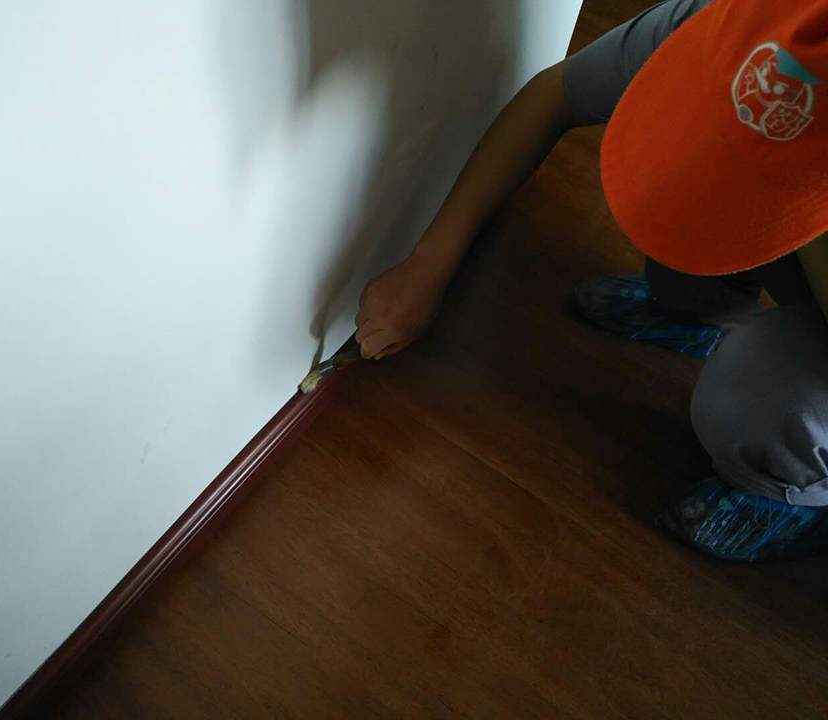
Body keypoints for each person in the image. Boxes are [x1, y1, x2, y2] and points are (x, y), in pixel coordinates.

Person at [354, 0, 828, 561]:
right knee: (683, 185)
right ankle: (697, 309)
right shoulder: (752, 23)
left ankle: (789, 491)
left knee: (761, 391)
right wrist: (430, 261)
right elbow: (556, 94)